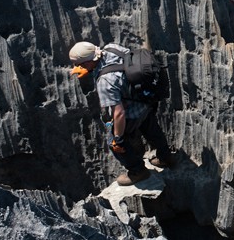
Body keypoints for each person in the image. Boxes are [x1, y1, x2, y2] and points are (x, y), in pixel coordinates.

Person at [69, 41, 175, 186]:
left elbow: (119, 113)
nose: (78, 68)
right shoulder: (112, 48)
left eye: (80, 65)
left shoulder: (105, 82)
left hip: (132, 110)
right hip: (145, 99)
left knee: (114, 143)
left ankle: (138, 171)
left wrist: (117, 138)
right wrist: (89, 69)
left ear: (88, 61)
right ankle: (166, 157)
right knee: (151, 129)